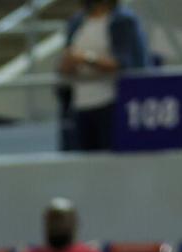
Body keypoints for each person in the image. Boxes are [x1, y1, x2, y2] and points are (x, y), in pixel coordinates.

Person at [60, 0, 150, 153]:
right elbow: (65, 60)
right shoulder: (77, 21)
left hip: (111, 100)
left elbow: (125, 63)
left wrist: (86, 59)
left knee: (109, 156)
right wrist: (68, 64)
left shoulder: (122, 20)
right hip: (80, 102)